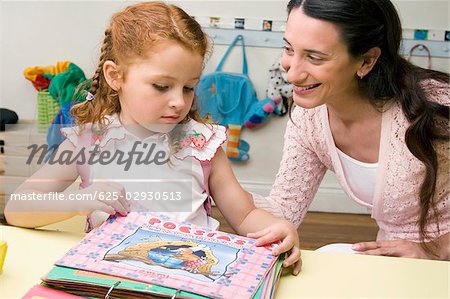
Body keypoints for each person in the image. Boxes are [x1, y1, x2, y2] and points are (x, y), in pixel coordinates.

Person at [4, 2, 301, 274]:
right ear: (115, 76)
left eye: (188, 88)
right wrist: (78, 202)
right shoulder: (88, 141)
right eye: (162, 86)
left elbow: (245, 214)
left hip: (188, 279)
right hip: (110, 280)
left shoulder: (202, 143)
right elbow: (17, 209)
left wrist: (277, 228)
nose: (178, 102)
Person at [252, 0, 449, 261]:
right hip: (398, 258)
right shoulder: (308, 119)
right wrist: (216, 180)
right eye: (289, 49)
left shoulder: (435, 108)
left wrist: (432, 249)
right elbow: (284, 211)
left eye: (314, 57)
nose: (292, 74)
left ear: (366, 60)